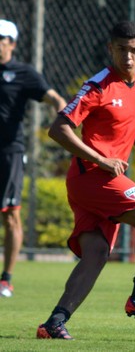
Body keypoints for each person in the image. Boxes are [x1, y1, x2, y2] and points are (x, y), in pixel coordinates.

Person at [36, 20, 135, 340]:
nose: (127, 57)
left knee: (96, 254)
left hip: (99, 179)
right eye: (120, 50)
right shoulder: (97, 86)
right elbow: (58, 129)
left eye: (133, 51)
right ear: (110, 49)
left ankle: (54, 323)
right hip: (92, 176)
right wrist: (101, 159)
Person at [0, 19, 67, 297]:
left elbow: (54, 98)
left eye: (2, 38)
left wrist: (63, 115)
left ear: (12, 44)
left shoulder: (23, 73)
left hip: (9, 152)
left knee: (10, 217)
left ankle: (6, 279)